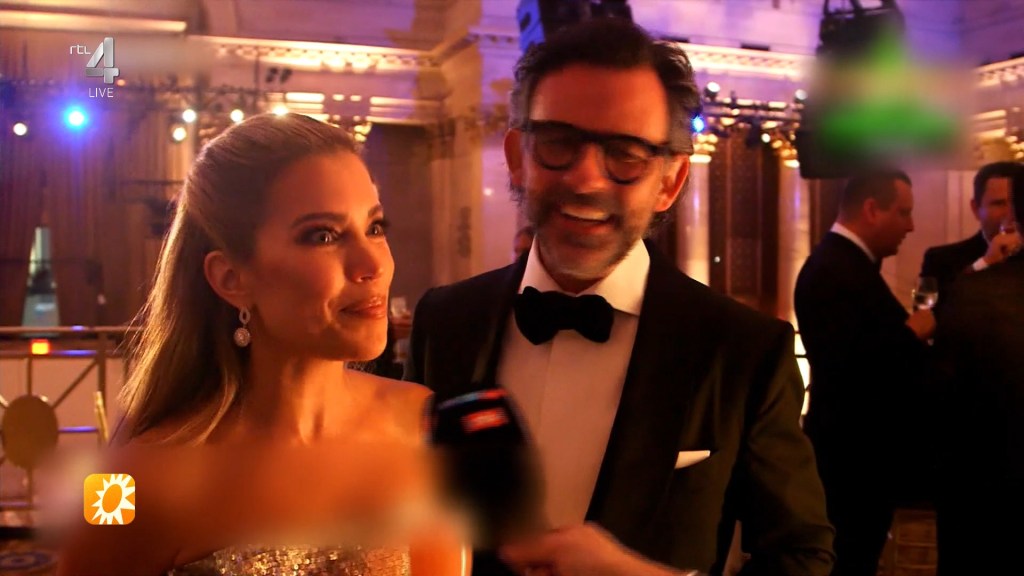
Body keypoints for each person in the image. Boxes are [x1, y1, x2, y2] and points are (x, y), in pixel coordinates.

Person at [405, 18, 833, 576]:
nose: (586, 179)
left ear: (670, 182)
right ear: (518, 156)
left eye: (626, 154)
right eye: (558, 143)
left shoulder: (745, 351)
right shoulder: (445, 320)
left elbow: (803, 560)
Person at [57, 114, 465, 576]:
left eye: (374, 227)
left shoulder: (425, 426)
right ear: (231, 278)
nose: (373, 264)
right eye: (323, 235)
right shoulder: (124, 482)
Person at [794, 170, 935, 576]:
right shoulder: (836, 270)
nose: (911, 226)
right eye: (903, 212)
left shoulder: (846, 266)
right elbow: (858, 368)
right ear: (872, 210)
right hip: (851, 464)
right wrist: (915, 331)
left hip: (856, 461)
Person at [931, 163, 1024, 576]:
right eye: (997, 203)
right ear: (976, 207)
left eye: (1011, 204)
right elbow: (928, 314)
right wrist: (985, 266)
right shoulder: (945, 260)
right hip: (976, 462)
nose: (1005, 214)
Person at [920, 161, 1022, 303]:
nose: (1011, 213)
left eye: (1018, 203)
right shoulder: (941, 260)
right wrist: (985, 263)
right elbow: (931, 313)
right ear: (976, 209)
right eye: (999, 203)